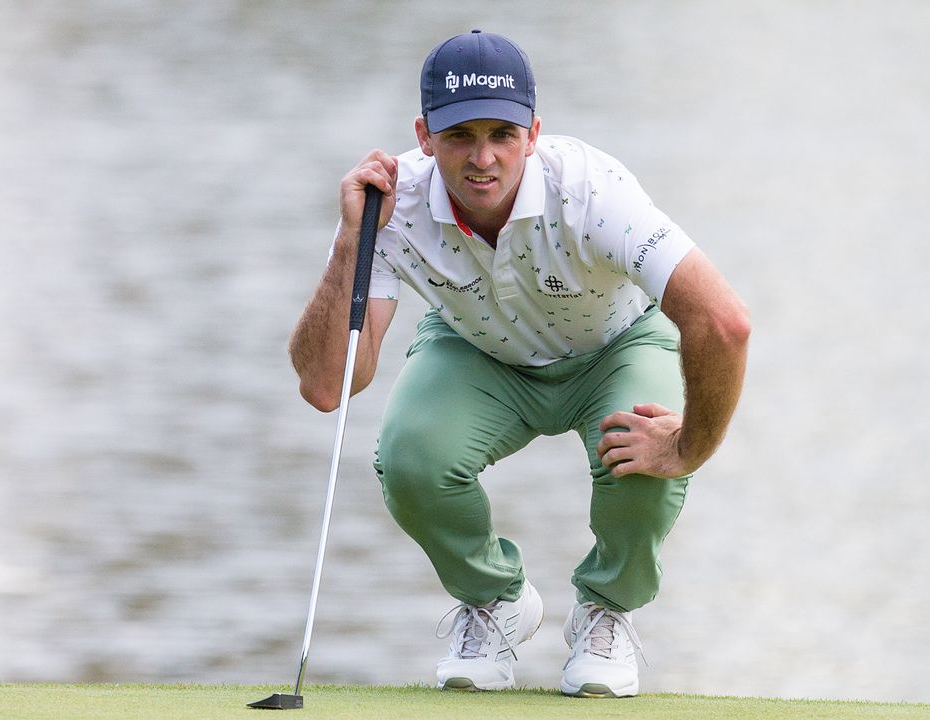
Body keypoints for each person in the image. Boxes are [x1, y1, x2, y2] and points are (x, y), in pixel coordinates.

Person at [287, 29, 750, 698]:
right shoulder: (387, 206)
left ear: (533, 133)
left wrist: (690, 448)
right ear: (424, 135)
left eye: (502, 134)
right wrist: (349, 245)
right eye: (459, 136)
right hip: (478, 352)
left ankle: (605, 611)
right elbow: (328, 385)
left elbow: (723, 322)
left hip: (613, 347)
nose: (483, 159)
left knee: (643, 442)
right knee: (411, 455)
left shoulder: (592, 191)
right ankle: (496, 600)